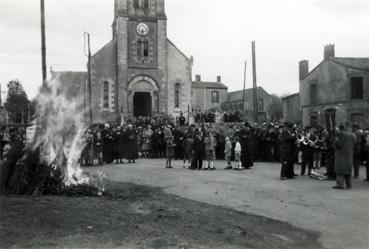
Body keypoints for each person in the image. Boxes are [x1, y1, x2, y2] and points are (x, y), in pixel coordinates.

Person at [333, 123, 356, 189]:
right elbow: (355, 144)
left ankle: (340, 185)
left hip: (341, 155)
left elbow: (339, 144)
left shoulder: (342, 134)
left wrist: (335, 141)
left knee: (340, 171)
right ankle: (348, 184)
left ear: (341, 129)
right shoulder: (352, 135)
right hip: (349, 155)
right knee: (348, 171)